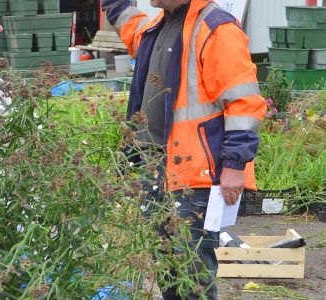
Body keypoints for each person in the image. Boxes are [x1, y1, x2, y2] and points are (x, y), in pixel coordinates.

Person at [102, 0, 267, 298]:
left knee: (194, 273)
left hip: (197, 174)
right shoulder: (158, 26)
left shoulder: (216, 28)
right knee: (167, 265)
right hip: (157, 168)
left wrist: (234, 165)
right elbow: (126, 21)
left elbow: (244, 102)